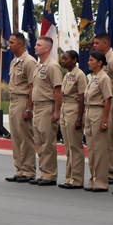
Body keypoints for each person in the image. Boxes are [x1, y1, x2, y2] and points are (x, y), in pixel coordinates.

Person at [5, 32, 38, 183]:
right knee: (16, 136)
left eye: (11, 42)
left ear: (20, 44)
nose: (9, 45)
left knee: (25, 137)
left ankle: (28, 170)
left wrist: (29, 108)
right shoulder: (14, 61)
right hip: (14, 100)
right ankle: (19, 169)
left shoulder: (29, 61)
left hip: (23, 100)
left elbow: (33, 87)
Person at [30, 35, 63, 186]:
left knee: (47, 141)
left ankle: (49, 175)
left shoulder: (52, 66)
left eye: (38, 45)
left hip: (47, 106)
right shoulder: (39, 66)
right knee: (39, 141)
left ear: (47, 48)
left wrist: (57, 111)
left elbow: (57, 89)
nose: (35, 47)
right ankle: (43, 172)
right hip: (37, 106)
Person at [93, 33, 113, 184]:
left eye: (97, 43)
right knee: (106, 137)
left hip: (112, 99)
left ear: (105, 43)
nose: (94, 45)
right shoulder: (101, 59)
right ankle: (108, 169)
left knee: (112, 137)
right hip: (103, 99)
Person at [83, 50, 113, 192]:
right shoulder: (93, 78)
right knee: (92, 148)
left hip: (98, 111)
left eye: (92, 60)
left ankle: (101, 181)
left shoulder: (104, 78)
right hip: (89, 111)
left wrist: (105, 119)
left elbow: (108, 99)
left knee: (100, 149)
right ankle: (93, 178)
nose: (89, 62)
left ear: (100, 63)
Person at [58, 50, 87, 189]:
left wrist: (79, 118)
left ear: (74, 60)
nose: (63, 61)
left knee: (75, 145)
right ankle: (69, 177)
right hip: (65, 108)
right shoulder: (67, 74)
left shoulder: (79, 75)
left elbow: (82, 98)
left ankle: (77, 178)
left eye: (66, 58)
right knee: (68, 146)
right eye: (63, 58)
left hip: (74, 109)